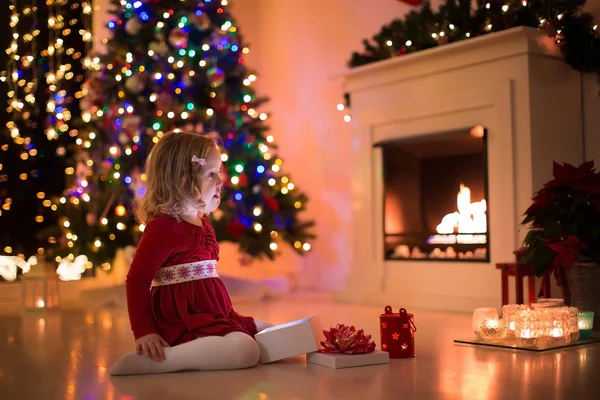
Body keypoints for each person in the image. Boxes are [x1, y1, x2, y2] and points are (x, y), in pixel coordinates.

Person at [109, 131, 272, 375]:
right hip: (183, 321)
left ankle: (223, 345)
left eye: (219, 171)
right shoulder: (163, 227)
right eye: (211, 174)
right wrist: (145, 332)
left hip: (213, 314)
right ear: (183, 180)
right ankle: (162, 360)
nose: (221, 180)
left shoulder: (203, 223)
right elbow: (137, 280)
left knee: (267, 329)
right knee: (246, 350)